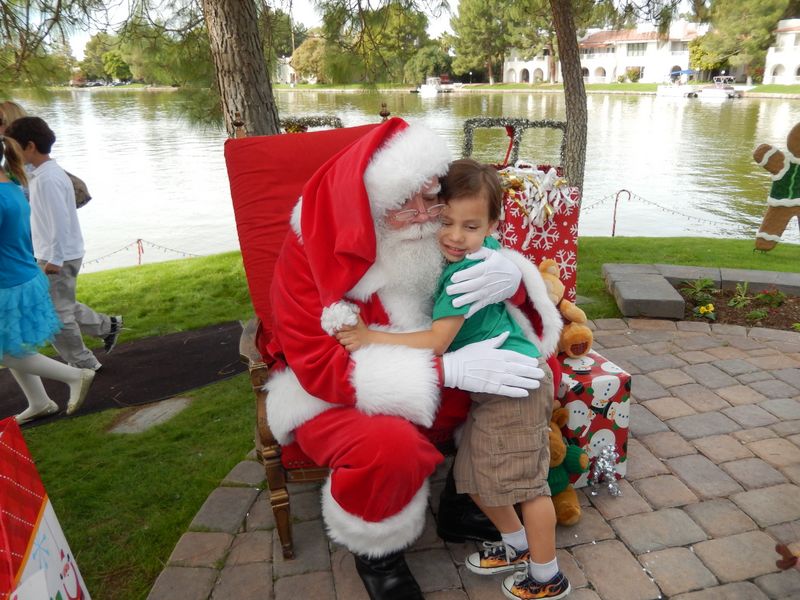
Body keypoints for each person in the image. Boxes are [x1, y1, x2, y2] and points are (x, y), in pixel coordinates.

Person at [265, 118, 563, 599]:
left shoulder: (443, 231)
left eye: (432, 197)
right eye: (407, 203)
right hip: (335, 393)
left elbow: (483, 249)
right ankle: (377, 552)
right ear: (371, 205)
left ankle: (467, 499)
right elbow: (321, 366)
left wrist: (511, 276)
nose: (426, 215)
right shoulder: (309, 253)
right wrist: (444, 370)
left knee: (530, 371)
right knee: (389, 447)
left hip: (434, 356)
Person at [336, 158, 569, 600]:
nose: (455, 237)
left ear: (493, 225)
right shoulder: (485, 253)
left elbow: (437, 341)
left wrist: (370, 338)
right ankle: (516, 546)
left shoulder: (462, 275)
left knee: (525, 487)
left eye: (470, 226)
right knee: (476, 476)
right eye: (446, 221)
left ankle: (546, 575)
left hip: (512, 387)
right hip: (494, 387)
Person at [4, 116, 123, 371]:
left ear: (30, 146)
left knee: (57, 315)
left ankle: (83, 364)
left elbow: (60, 221)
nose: (11, 154)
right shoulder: (41, 175)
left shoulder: (48, 179)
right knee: (58, 305)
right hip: (51, 253)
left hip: (58, 256)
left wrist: (55, 260)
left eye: (14, 147)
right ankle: (106, 326)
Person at [0, 134, 95, 424]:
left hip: (8, 283)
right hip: (21, 277)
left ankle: (76, 375)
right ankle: (40, 402)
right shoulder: (12, 184)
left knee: (7, 351)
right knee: (14, 344)